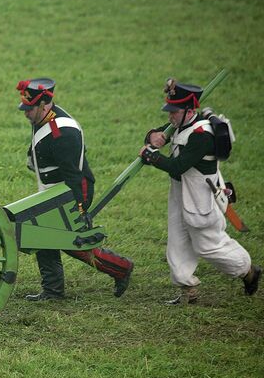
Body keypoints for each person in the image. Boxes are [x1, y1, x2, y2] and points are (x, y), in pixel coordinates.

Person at [139, 79, 260, 304]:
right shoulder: (182, 124)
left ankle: (248, 270)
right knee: (177, 243)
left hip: (199, 196)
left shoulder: (202, 135)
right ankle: (188, 290)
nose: (170, 116)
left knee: (208, 246)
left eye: (174, 111)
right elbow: (165, 137)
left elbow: (177, 166)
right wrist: (152, 137)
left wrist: (151, 156)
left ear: (189, 110)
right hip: (180, 192)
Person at [16, 79, 134, 301]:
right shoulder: (42, 119)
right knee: (41, 235)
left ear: (44, 105)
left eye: (29, 108)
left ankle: (121, 268)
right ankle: (53, 291)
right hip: (52, 191)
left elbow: (74, 177)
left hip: (71, 192)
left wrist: (79, 207)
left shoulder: (63, 133)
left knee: (69, 242)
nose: (25, 113)